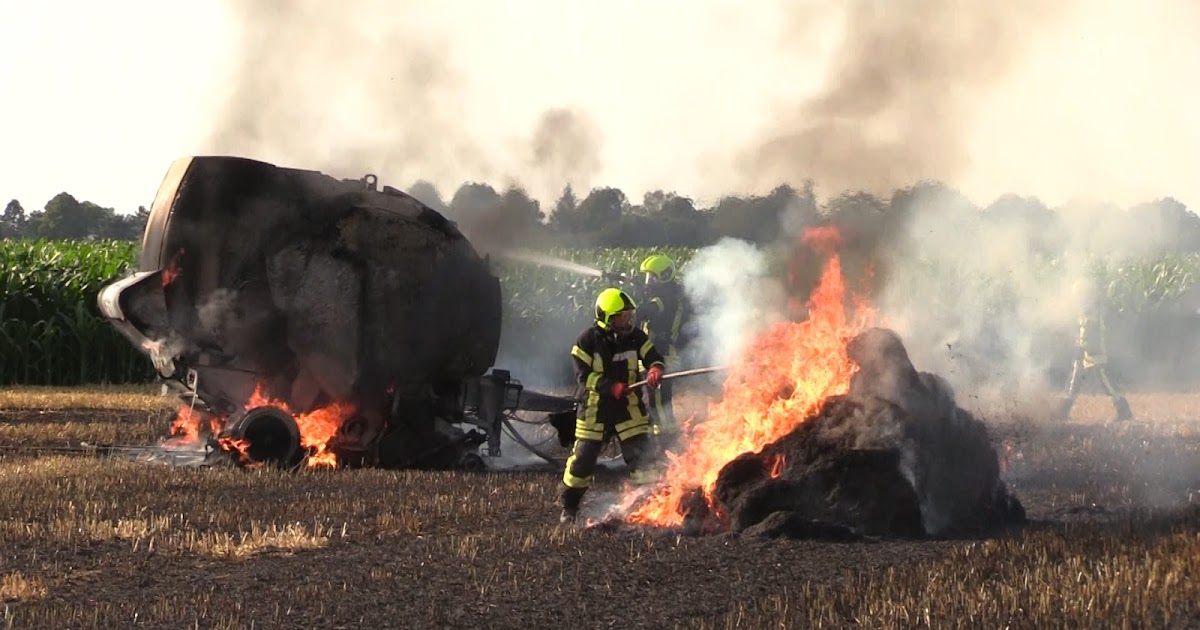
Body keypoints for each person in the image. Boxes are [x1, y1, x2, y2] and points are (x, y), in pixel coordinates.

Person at [560, 288, 666, 524]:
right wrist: (610, 387)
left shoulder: (636, 337)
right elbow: (583, 377)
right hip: (595, 410)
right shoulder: (586, 341)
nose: (627, 320)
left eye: (629, 315)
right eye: (622, 316)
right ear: (607, 317)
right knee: (582, 462)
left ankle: (649, 507)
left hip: (629, 409)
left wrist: (655, 369)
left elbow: (654, 356)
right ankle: (569, 508)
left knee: (642, 460)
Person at [635, 254, 692, 451]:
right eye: (647, 278)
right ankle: (663, 441)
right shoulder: (671, 295)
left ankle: (666, 445)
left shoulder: (663, 300)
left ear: (665, 276)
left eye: (653, 278)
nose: (648, 282)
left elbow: (642, 312)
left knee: (658, 404)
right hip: (658, 357)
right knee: (657, 402)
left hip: (662, 358)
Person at [1058, 285, 1133, 422]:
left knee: (1104, 379)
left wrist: (1085, 344)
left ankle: (1123, 409)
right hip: (1084, 348)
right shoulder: (1083, 310)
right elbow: (1081, 329)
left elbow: (1093, 329)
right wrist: (1079, 344)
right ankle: (1063, 410)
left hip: (1095, 349)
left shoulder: (1095, 310)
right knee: (1075, 378)